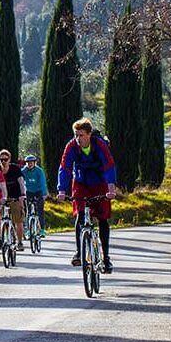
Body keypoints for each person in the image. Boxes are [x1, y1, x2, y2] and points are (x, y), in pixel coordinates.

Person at [57, 117, 116, 273]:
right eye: (76, 135)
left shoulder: (100, 145)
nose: (78, 138)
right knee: (80, 215)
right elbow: (65, 168)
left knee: (103, 219)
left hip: (100, 183)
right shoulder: (71, 146)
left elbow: (109, 165)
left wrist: (111, 188)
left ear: (89, 134)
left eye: (81, 135)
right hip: (81, 183)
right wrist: (62, 190)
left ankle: (106, 258)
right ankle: (79, 252)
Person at [0, 149, 26, 250]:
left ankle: (19, 242)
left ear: (9, 159)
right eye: (1, 159)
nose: (3, 161)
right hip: (1, 198)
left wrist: (23, 194)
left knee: (18, 219)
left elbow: (21, 182)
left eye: (5, 159)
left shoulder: (15, 169)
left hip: (15, 197)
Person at [22, 154, 48, 237]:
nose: (30, 164)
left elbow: (43, 183)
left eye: (31, 162)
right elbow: (20, 182)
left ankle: (42, 230)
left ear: (34, 163)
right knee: (28, 211)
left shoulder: (39, 171)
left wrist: (44, 194)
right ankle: (28, 231)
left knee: (40, 210)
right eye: (28, 163)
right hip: (28, 192)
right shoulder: (23, 171)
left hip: (38, 192)